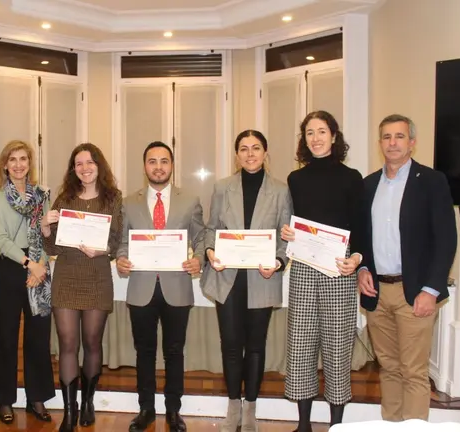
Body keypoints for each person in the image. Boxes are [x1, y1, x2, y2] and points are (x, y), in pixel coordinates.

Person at [357, 114, 457, 421]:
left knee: (414, 372)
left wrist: (431, 289)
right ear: (380, 144)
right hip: (377, 293)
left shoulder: (431, 181)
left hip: (414, 292)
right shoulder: (368, 184)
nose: (392, 143)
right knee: (389, 368)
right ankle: (392, 427)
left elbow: (446, 239)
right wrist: (362, 271)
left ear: (412, 142)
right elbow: (362, 236)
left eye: (399, 136)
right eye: (386, 137)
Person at [201, 130, 292, 432]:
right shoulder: (222, 187)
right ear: (236, 155)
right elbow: (210, 229)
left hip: (262, 278)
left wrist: (278, 262)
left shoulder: (280, 190)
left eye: (256, 148)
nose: (250, 154)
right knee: (230, 345)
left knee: (255, 346)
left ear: (266, 153)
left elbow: (286, 236)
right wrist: (211, 250)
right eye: (244, 149)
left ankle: (250, 409)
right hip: (227, 278)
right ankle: (233, 407)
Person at [281, 111, 363, 430]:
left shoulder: (352, 177)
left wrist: (356, 258)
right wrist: (289, 232)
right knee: (300, 344)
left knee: (337, 345)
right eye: (309, 132)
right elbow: (292, 221)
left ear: (333, 136)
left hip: (339, 269)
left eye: (322, 131)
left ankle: (336, 424)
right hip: (303, 267)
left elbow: (360, 227)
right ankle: (303, 424)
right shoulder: (295, 179)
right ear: (304, 139)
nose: (316, 138)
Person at [115, 141, 205, 432]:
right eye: (152, 161)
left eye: (164, 161)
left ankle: (173, 411)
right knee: (144, 352)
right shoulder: (129, 202)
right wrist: (121, 259)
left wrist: (199, 259)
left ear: (172, 165)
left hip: (177, 286)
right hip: (141, 287)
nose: (158, 166)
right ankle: (146, 410)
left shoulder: (189, 200)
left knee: (175, 352)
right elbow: (122, 242)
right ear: (145, 167)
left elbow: (201, 238)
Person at [43, 143, 123, 432]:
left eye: (90, 162)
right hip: (66, 276)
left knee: (91, 344)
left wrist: (102, 251)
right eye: (79, 163)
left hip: (97, 276)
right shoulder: (63, 199)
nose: (85, 167)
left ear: (99, 165)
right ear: (73, 169)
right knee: (67, 344)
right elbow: (51, 246)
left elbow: (116, 241)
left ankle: (88, 400)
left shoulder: (113, 199)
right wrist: (45, 226)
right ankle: (69, 411)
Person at [0, 140, 56, 424]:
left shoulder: (42, 194)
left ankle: (36, 398)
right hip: (13, 267)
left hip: (39, 267)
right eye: (12, 159)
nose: (18, 165)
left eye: (23, 159)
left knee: (38, 337)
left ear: (30, 163)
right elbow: (0, 239)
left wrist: (47, 226)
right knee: (5, 336)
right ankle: (5, 399)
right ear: (5, 165)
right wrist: (30, 265)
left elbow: (47, 237)